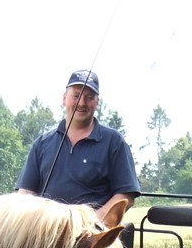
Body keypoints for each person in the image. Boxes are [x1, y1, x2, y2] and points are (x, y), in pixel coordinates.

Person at [16, 70, 140, 222]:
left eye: (89, 97)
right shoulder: (41, 144)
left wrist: (91, 222)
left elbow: (126, 195)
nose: (82, 103)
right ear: (64, 99)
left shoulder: (114, 142)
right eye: (76, 96)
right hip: (47, 234)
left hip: (93, 235)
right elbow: (25, 193)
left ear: (97, 102)